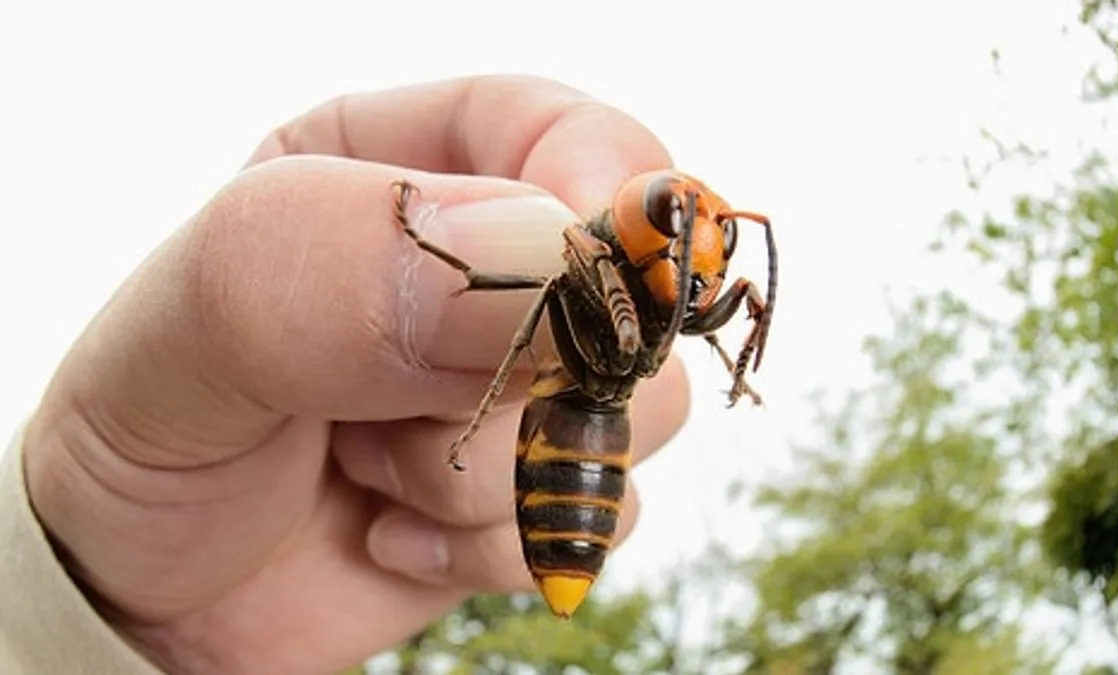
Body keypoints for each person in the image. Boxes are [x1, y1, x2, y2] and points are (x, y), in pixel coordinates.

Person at [0, 75, 691, 674]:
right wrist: (77, 617)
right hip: (569, 445)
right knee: (543, 285)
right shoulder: (584, 249)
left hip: (584, 439)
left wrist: (97, 632)